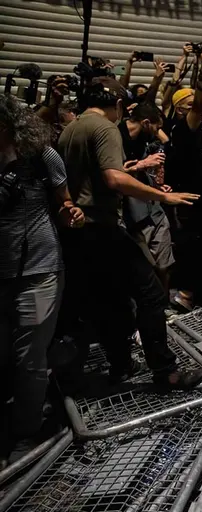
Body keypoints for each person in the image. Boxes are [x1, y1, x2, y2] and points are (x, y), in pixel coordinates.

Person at [57, 77, 202, 388]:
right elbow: (114, 178)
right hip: (102, 228)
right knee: (151, 295)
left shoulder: (70, 129)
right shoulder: (105, 127)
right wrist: (163, 197)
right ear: (119, 106)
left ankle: (121, 365)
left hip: (79, 231)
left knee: (107, 301)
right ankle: (166, 371)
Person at [0, 96, 83, 463]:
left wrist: (73, 215)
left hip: (38, 267)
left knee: (28, 356)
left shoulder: (41, 156)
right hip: (2, 272)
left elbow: (65, 205)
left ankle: (26, 433)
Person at [165, 50, 202, 308]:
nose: (197, 108)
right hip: (189, 201)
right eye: (189, 106)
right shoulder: (180, 130)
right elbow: (198, 106)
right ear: (178, 110)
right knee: (193, 250)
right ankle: (186, 296)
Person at [119, 103, 176, 297]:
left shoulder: (145, 139)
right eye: (156, 127)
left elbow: (166, 142)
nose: (158, 132)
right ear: (145, 123)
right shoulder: (116, 137)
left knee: (163, 263)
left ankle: (163, 305)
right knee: (141, 268)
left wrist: (157, 186)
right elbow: (111, 174)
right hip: (130, 214)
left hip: (153, 207)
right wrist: (142, 165)